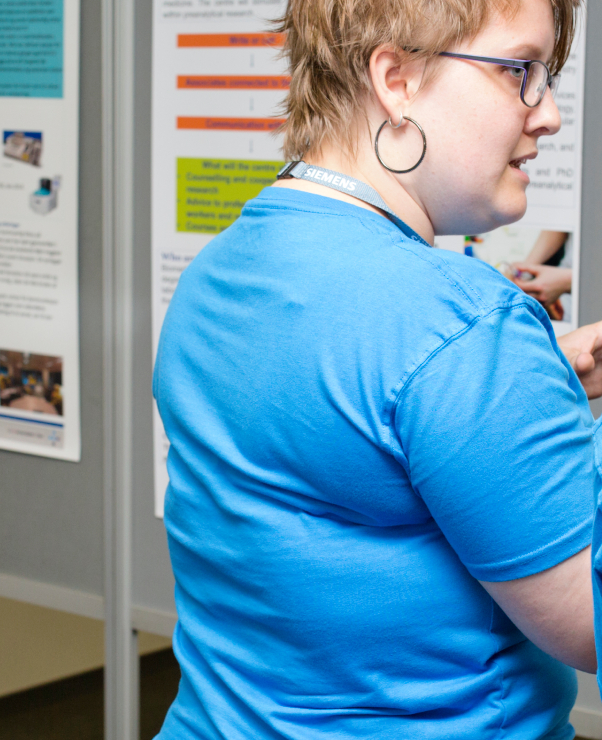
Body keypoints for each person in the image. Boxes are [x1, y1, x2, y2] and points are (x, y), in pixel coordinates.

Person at [152, 0, 602, 735]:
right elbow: (589, 624)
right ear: (395, 78)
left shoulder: (220, 268)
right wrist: (503, 380)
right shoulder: (461, 326)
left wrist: (530, 386)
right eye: (520, 71)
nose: (547, 113)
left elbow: (342, 428)